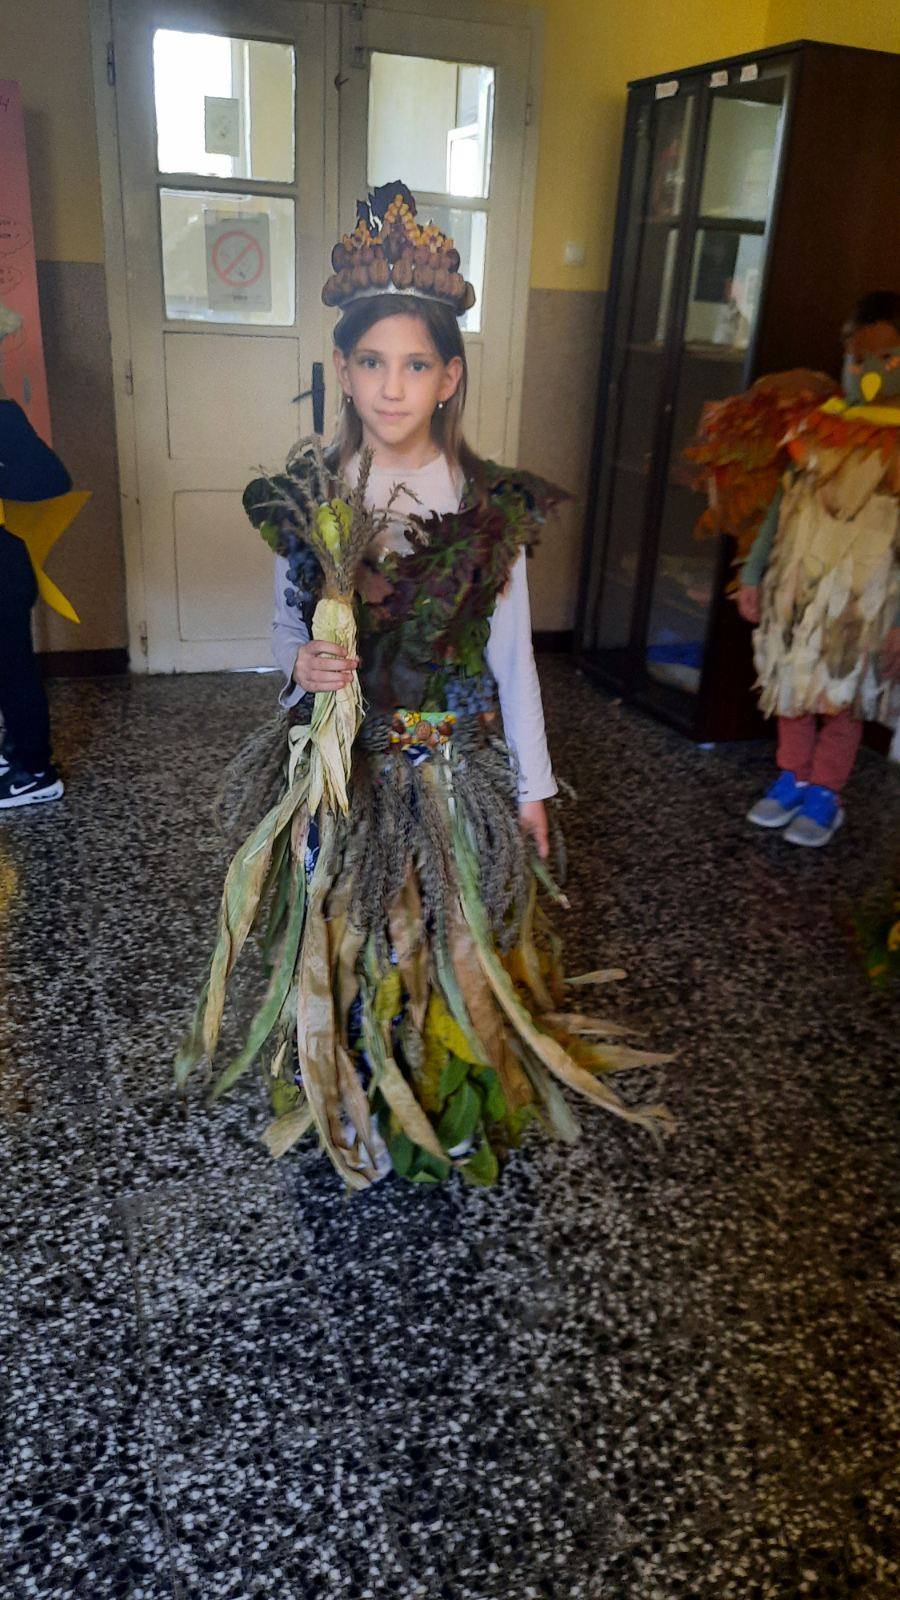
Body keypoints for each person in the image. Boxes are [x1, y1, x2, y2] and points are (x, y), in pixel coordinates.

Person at [176, 184, 670, 1188]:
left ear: (449, 377)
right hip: (347, 770)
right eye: (371, 362)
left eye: (414, 365)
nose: (391, 387)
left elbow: (514, 658)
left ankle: (442, 1094)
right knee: (351, 927)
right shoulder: (313, 496)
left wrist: (532, 789)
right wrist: (301, 665)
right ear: (342, 370)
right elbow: (286, 625)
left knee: (447, 929)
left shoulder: (490, 508)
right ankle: (352, 1084)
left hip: (452, 769)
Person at [732, 291, 900, 846]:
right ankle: (792, 777)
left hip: (864, 603)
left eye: (886, 359)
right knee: (790, 684)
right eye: (856, 360)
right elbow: (781, 509)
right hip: (798, 590)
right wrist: (753, 575)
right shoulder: (816, 430)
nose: (868, 373)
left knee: (842, 696)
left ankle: (825, 791)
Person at [0, 311, 72, 809]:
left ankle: (36, 770)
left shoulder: (3, 415)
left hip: (4, 567)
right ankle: (18, 754)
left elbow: (52, 479)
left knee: (13, 668)